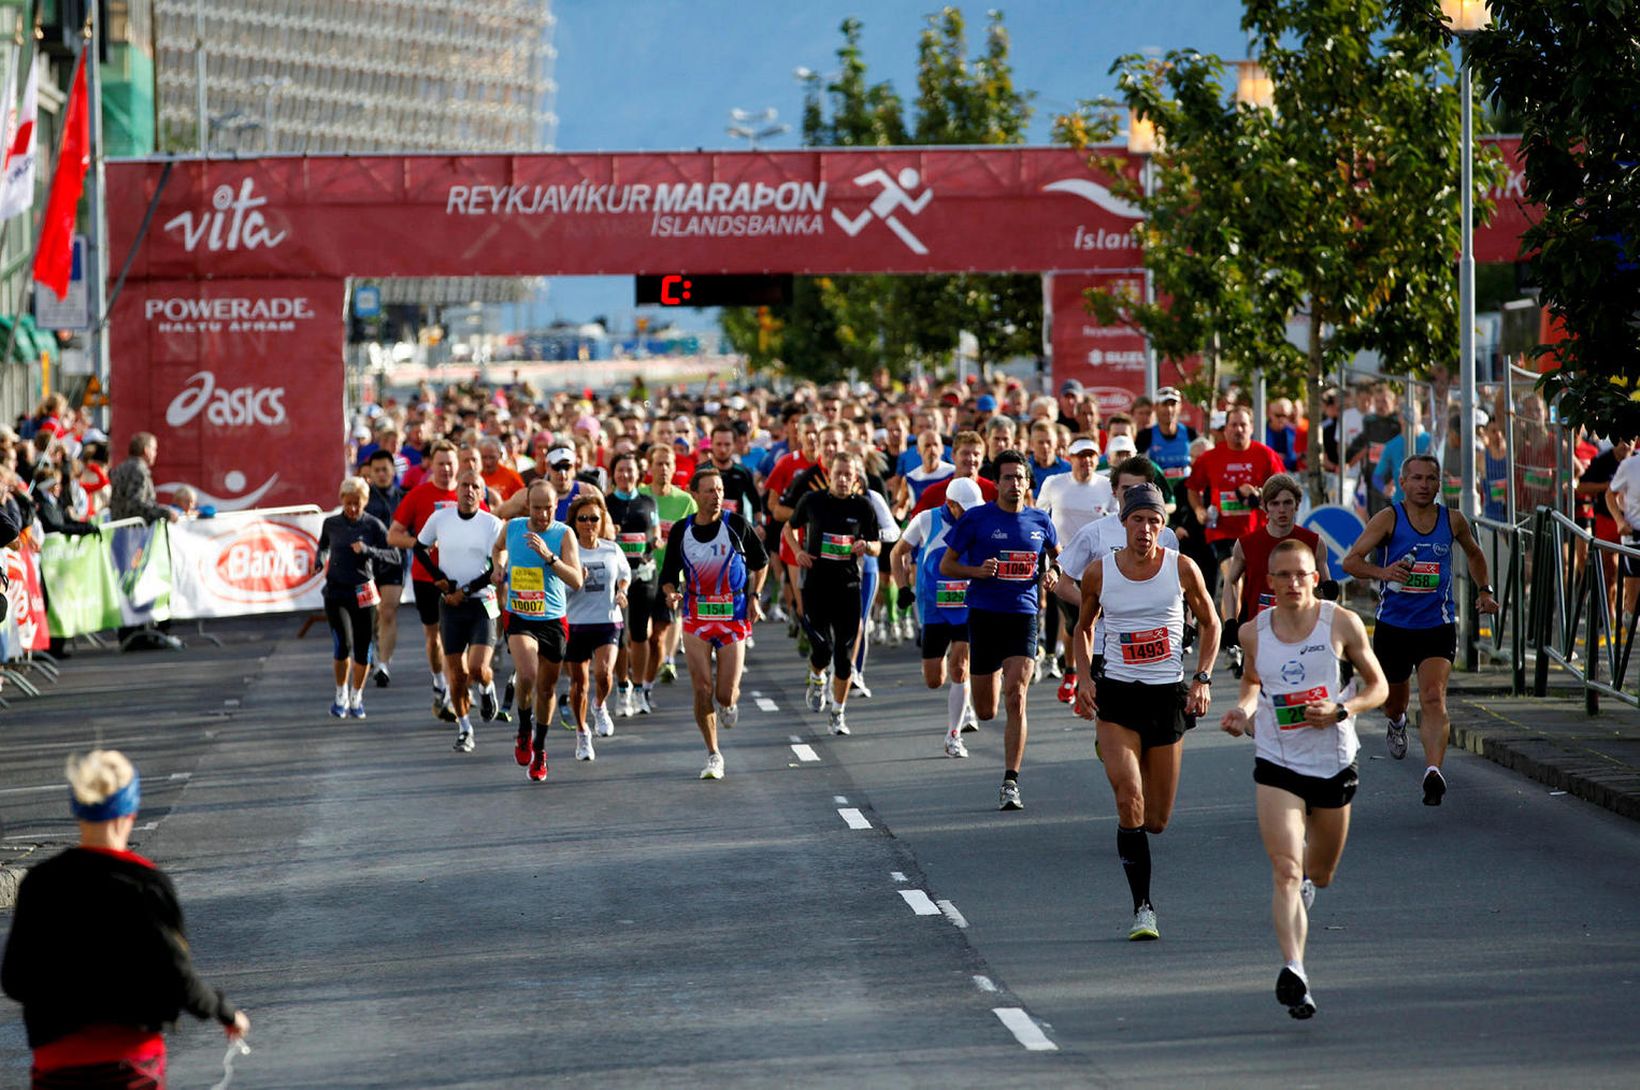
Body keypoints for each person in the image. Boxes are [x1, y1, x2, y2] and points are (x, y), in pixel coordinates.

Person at [2, 750, 250, 1089]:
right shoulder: (147, 885)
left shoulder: (41, 882)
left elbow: (15, 979)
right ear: (130, 811)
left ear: (77, 810)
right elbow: (178, 978)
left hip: (57, 1063)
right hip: (131, 1064)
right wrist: (226, 1013)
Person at [1219, 539, 1389, 1019]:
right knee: (1286, 870)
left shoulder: (1341, 623)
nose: (1293, 583)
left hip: (1334, 763)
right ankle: (1295, 970)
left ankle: (1307, 890)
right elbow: (1253, 680)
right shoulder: (1255, 633)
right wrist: (1243, 710)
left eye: (1301, 574)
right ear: (1269, 583)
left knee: (1320, 873)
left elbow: (1377, 687)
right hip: (1278, 762)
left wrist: (1341, 709)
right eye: (1283, 576)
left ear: (1316, 577)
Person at [1072, 483, 1220, 941]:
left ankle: (1123, 760)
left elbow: (1212, 623)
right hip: (1117, 697)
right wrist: (1084, 677)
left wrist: (1202, 679)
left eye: (1154, 521)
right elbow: (1083, 628)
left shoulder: (1182, 569)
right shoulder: (1100, 573)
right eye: (1138, 520)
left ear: (1162, 526)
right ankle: (1143, 908)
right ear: (1124, 523)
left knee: (1156, 820)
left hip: (1166, 697)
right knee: (1128, 799)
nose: (1146, 529)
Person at [1342, 454, 1499, 805]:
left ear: (1439, 483)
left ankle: (1433, 771)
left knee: (1432, 696)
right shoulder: (1388, 519)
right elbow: (1351, 562)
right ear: (1403, 483)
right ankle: (1396, 723)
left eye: (1430, 479)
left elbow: (1474, 554)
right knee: (1394, 702)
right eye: (1416, 478)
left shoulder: (1453, 520)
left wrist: (1484, 590)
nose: (1424, 485)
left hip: (1436, 624)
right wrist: (1385, 573)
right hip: (1394, 626)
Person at [939, 449, 1060, 811]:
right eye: (1007, 477)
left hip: (1022, 615)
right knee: (988, 709)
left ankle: (1011, 781)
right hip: (984, 614)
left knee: (1017, 696)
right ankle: (983, 713)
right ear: (997, 483)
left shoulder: (1040, 520)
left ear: (1027, 482)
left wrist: (1052, 572)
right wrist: (979, 571)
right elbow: (948, 564)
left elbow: (1057, 556)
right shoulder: (977, 519)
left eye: (1020, 478)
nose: (1015, 484)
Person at [659, 466, 769, 780]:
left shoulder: (736, 525)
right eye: (708, 490)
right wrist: (672, 595)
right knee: (701, 688)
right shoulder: (682, 530)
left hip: (733, 617)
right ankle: (713, 754)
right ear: (695, 495)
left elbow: (760, 564)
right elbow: (668, 577)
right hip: (696, 616)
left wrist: (755, 596)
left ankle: (728, 704)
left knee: (725, 693)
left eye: (719, 490)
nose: (715, 496)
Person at [786, 451, 882, 736]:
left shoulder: (864, 506)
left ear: (855, 478)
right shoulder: (812, 502)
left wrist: (866, 546)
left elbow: (878, 545)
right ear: (829, 474)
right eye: (838, 474)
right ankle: (817, 677)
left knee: (843, 657)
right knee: (822, 649)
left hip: (848, 588)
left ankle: (838, 713)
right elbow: (788, 529)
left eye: (848, 475)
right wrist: (798, 551)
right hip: (816, 586)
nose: (842, 479)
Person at [492, 478, 583, 782]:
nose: (543, 515)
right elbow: (498, 547)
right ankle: (522, 729)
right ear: (527, 506)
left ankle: (540, 748)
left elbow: (576, 580)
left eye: (548, 509)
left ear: (557, 507)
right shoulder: (515, 527)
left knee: (546, 688)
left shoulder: (564, 534)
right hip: (519, 616)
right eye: (537, 508)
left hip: (553, 620)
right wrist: (499, 566)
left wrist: (550, 557)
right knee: (527, 674)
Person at [892, 476, 985, 757]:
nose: (970, 514)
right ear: (950, 504)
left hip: (967, 604)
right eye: (964, 509)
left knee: (960, 666)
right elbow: (897, 553)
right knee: (934, 679)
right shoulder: (926, 520)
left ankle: (953, 735)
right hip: (933, 606)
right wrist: (903, 588)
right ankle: (960, 690)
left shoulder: (979, 520)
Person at [415, 469, 506, 753]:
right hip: (450, 604)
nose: (468, 490)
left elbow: (495, 568)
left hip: (481, 601)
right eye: (464, 485)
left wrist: (464, 591)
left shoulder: (492, 524)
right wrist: (437, 579)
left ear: (482, 493)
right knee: (456, 674)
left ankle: (487, 688)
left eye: (474, 487)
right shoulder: (441, 518)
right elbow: (419, 548)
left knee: (478, 668)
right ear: (457, 490)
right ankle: (465, 729)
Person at [389, 440, 470, 721]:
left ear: (457, 465)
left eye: (450, 463)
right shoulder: (418, 495)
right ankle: (439, 681)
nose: (446, 469)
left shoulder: (469, 493)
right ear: (431, 466)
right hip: (427, 578)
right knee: (434, 637)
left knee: (457, 639)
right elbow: (393, 535)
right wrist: (419, 543)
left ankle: (452, 691)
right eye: (440, 464)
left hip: (462, 578)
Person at [1219, 474, 1331, 668]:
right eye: (1275, 503)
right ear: (1265, 507)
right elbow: (1231, 581)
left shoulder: (1314, 542)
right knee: (1259, 695)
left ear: (1296, 505)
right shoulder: (1246, 544)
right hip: (1260, 635)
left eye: (1287, 503)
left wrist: (1328, 592)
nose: (1281, 510)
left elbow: (1326, 590)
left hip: (1303, 634)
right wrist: (1230, 621)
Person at [319, 477, 400, 720]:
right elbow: (323, 546)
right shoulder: (331, 523)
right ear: (341, 500)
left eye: (358, 503)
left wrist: (368, 551)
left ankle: (357, 695)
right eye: (349, 503)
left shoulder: (373, 525)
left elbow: (394, 555)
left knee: (363, 650)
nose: (353, 508)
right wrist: (319, 559)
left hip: (363, 592)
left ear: (365, 502)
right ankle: (340, 693)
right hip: (336, 592)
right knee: (342, 645)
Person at [1185, 405, 1285, 598]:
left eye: (1243, 425)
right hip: (1223, 533)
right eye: (1233, 425)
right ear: (1226, 428)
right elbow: (1192, 488)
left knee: (1254, 586)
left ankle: (1246, 624)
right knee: (1233, 577)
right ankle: (1232, 626)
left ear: (1251, 428)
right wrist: (1199, 509)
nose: (1238, 429)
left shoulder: (1266, 455)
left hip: (1257, 531)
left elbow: (1283, 488)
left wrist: (1258, 492)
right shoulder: (1210, 458)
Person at [563, 493, 631, 756]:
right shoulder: (568, 552)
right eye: (583, 519)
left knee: (603, 674)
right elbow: (559, 588)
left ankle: (599, 705)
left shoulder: (611, 548)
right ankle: (582, 734)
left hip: (608, 620)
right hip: (577, 622)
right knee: (579, 683)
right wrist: (575, 579)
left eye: (594, 518)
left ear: (602, 520)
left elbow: (624, 575)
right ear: (574, 522)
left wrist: (622, 591)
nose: (589, 523)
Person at [605, 451, 661, 716]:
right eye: (620, 471)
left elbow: (655, 533)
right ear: (613, 474)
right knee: (620, 635)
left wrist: (656, 542)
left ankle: (639, 689)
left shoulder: (648, 502)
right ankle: (622, 688)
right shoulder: (606, 503)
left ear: (638, 474)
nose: (625, 475)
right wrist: (609, 533)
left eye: (630, 470)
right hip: (616, 580)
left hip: (644, 576)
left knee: (640, 634)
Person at [640, 444, 697, 691]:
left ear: (675, 468)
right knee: (641, 634)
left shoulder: (685, 501)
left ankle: (666, 663)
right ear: (650, 467)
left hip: (672, 574)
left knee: (660, 633)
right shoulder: (640, 495)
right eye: (658, 463)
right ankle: (640, 675)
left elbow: (695, 536)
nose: (663, 469)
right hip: (641, 574)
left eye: (668, 464)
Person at [362, 449, 407, 687]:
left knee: (388, 611)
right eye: (376, 470)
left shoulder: (403, 497)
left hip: (394, 562)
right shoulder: (363, 498)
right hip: (366, 564)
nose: (381, 474)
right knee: (370, 615)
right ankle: (369, 654)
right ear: (370, 473)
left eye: (385, 470)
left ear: (393, 471)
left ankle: (383, 664)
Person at [108, 433, 179, 526]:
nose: (155, 453)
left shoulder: (120, 467)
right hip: (135, 532)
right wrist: (165, 513)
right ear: (146, 450)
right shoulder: (139, 470)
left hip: (118, 531)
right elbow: (136, 506)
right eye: (154, 449)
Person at [1136, 386, 1196, 488]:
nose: (1169, 409)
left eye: (1173, 404)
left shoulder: (1191, 434)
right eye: (1164, 404)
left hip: (1186, 494)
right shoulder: (1145, 436)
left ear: (1180, 407)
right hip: (1158, 493)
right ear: (1155, 407)